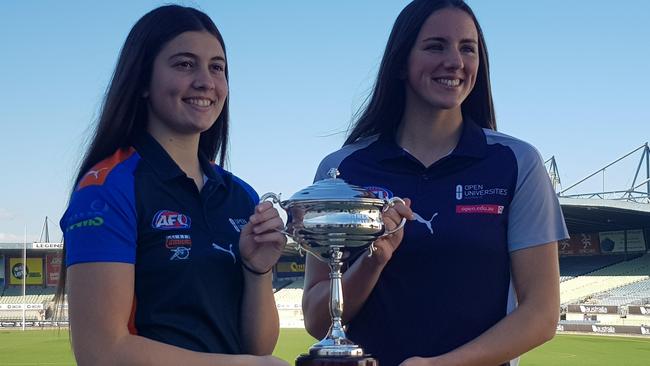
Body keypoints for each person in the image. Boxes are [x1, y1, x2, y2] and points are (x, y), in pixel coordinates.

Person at [302, 1, 568, 365]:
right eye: (435, 46)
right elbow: (318, 321)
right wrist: (372, 260)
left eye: (467, 48)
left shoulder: (516, 162)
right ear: (400, 62)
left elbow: (541, 314)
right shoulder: (341, 170)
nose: (455, 61)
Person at [55, 5, 288, 366]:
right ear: (143, 81)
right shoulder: (106, 189)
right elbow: (101, 351)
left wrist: (257, 271)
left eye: (217, 67)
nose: (206, 81)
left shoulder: (241, 196)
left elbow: (257, 347)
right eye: (184, 64)